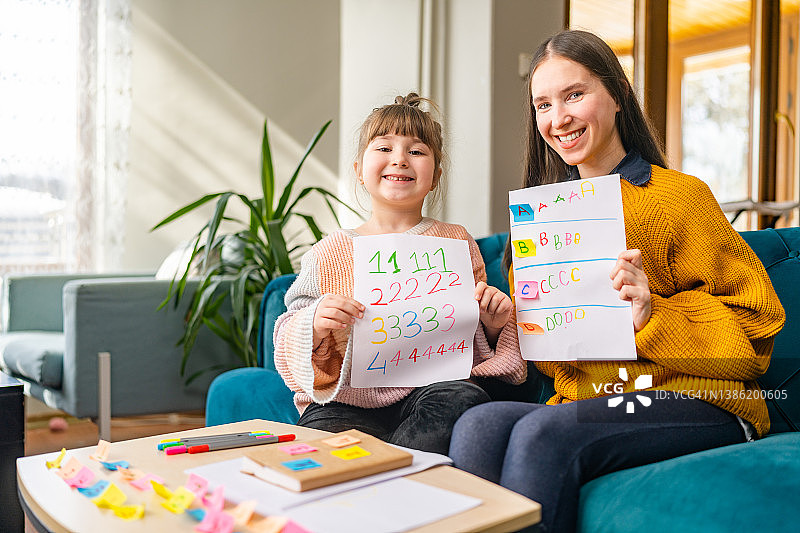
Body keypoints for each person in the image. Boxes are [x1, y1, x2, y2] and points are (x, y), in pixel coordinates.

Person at [448, 30, 786, 533]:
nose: (558, 118)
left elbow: (757, 326)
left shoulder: (679, 198)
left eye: (574, 95)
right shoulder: (541, 220)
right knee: (477, 425)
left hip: (703, 398)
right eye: (543, 104)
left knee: (541, 436)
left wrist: (652, 315)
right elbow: (555, 359)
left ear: (618, 95)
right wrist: (512, 324)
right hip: (594, 397)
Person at [273, 93, 526, 455]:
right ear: (359, 170)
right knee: (323, 444)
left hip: (436, 388)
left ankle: (398, 473)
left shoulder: (456, 241)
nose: (400, 159)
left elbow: (472, 332)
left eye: (417, 151)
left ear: (436, 176)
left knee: (464, 400)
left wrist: (494, 323)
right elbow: (290, 329)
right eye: (384, 147)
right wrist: (313, 324)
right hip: (348, 399)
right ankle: (380, 475)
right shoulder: (328, 251)